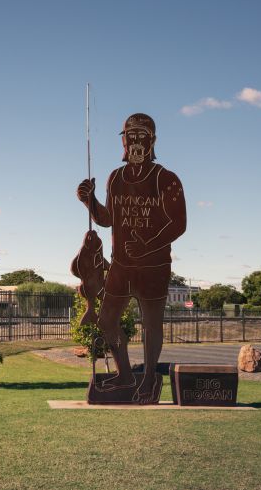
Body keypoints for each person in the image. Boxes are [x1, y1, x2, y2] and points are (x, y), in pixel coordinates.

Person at [77, 113, 186, 403]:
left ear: (152, 141)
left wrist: (148, 245)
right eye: (131, 136)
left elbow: (178, 223)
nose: (136, 142)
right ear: (124, 140)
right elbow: (108, 219)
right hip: (122, 265)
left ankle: (149, 380)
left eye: (143, 136)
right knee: (106, 321)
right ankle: (125, 374)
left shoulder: (166, 179)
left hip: (154, 267)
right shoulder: (116, 178)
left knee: (151, 324)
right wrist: (90, 201)